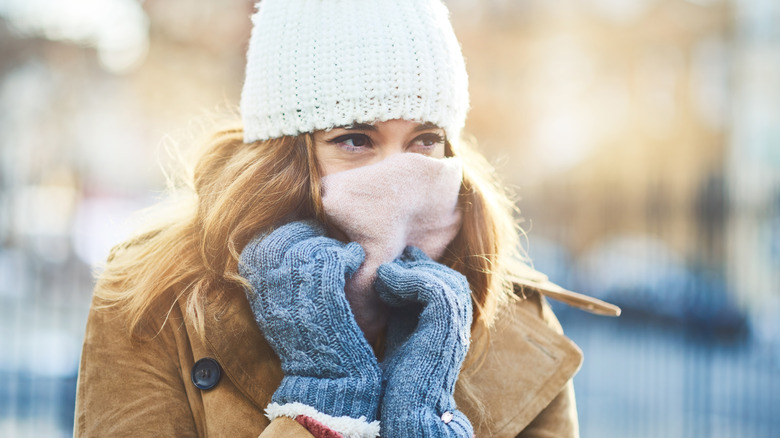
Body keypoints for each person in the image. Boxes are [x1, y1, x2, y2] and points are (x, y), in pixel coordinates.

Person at [74, 0, 619, 437]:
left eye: (424, 140)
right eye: (355, 139)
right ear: (282, 155)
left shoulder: (515, 319)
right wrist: (323, 406)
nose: (398, 176)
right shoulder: (156, 299)